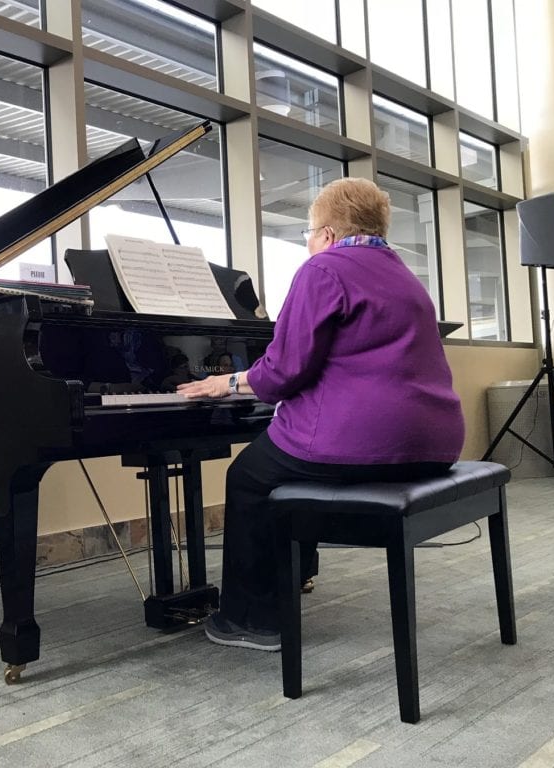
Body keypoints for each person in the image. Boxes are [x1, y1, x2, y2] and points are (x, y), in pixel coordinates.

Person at [177, 177, 465, 651]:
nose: (309, 243)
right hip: (435, 444)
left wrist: (225, 381)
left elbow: (284, 373)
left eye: (309, 234)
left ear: (328, 233)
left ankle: (252, 620)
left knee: (249, 475)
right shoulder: (405, 276)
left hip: (365, 441)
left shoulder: (324, 269)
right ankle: (298, 573)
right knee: (280, 461)